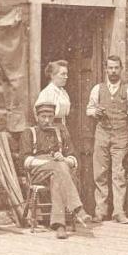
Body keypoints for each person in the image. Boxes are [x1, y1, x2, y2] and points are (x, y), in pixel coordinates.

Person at [85, 55, 128, 224]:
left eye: (116, 68)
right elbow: (89, 109)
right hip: (102, 135)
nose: (113, 71)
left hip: (120, 136)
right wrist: (95, 112)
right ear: (106, 69)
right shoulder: (97, 89)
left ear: (121, 69)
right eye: (110, 68)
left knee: (119, 174)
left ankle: (119, 212)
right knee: (100, 173)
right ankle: (100, 211)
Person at [21, 102, 92, 239]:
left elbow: (73, 159)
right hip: (38, 172)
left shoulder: (61, 132)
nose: (47, 120)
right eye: (43, 117)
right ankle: (77, 208)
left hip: (58, 171)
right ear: (37, 117)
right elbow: (25, 161)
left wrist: (63, 159)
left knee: (58, 176)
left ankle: (60, 226)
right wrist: (51, 162)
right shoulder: (29, 132)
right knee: (59, 167)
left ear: (54, 117)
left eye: (50, 117)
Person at [35, 60, 71, 132]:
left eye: (66, 74)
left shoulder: (63, 92)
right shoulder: (47, 92)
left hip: (62, 127)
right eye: (63, 74)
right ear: (52, 75)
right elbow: (38, 114)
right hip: (50, 129)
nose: (66, 77)